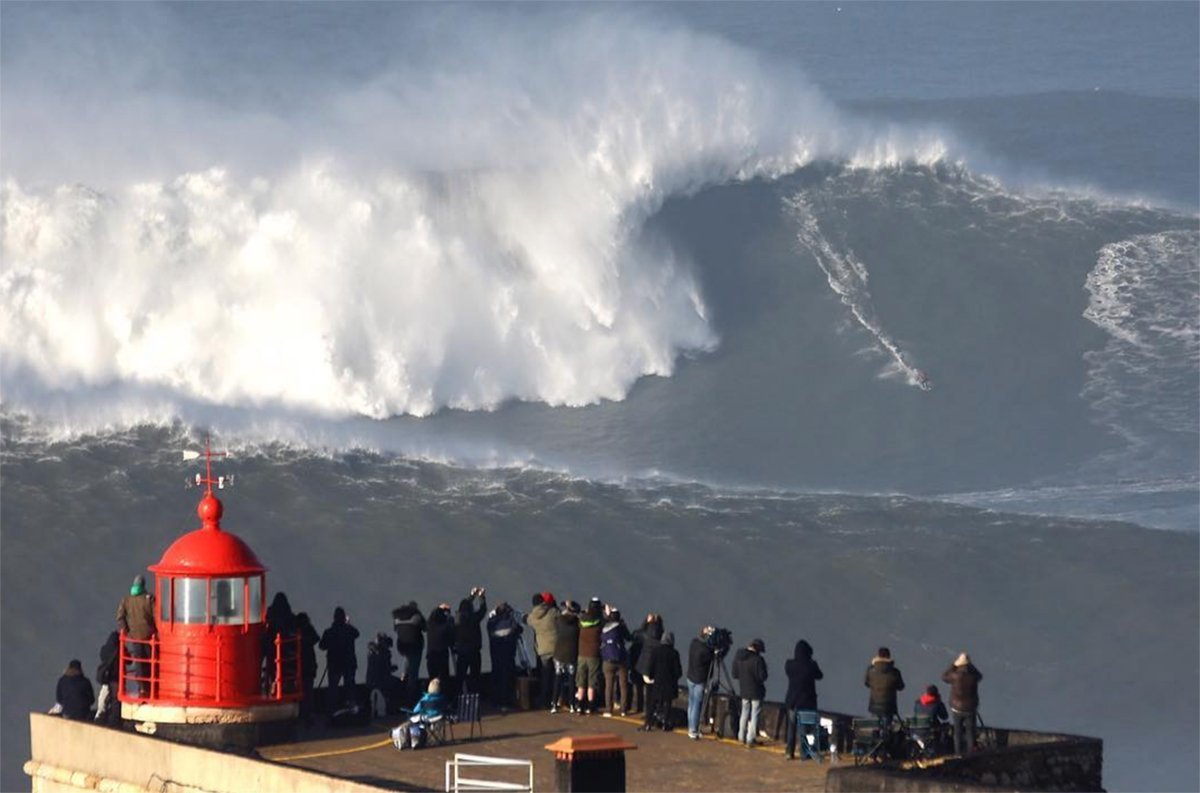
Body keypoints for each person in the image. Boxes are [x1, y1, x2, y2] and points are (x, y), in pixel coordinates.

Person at [116, 575, 156, 697]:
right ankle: (152, 687)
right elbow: (156, 616)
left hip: (134, 636)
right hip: (149, 637)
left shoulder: (127, 600)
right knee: (151, 662)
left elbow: (120, 616)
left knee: (139, 663)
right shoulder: (148, 599)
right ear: (143, 585)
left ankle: (142, 688)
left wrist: (126, 630)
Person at [783, 639, 824, 760]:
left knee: (791, 728)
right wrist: (812, 662)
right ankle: (803, 752)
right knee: (804, 729)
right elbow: (820, 675)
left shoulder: (789, 664)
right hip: (806, 702)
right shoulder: (811, 666)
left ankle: (789, 752)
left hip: (792, 701)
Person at [319, 606, 360, 709]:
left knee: (333, 688)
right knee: (349, 687)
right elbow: (357, 633)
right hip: (349, 663)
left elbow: (322, 646)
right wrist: (348, 623)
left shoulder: (329, 632)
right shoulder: (349, 630)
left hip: (334, 663)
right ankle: (351, 707)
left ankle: (331, 709)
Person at [524, 592, 559, 710]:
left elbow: (525, 620)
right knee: (556, 675)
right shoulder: (552, 612)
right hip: (555, 648)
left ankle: (544, 701)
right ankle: (555, 700)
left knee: (545, 676)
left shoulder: (533, 617)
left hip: (542, 650)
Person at [942, 652, 983, 755]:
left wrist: (953, 665)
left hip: (956, 708)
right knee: (970, 732)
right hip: (970, 707)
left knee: (958, 732)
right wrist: (971, 665)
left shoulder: (954, 676)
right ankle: (970, 754)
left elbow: (943, 677)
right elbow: (980, 676)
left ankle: (958, 753)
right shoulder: (973, 677)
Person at [642, 631, 682, 731]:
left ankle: (648, 724)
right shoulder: (674, 653)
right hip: (669, 683)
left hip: (657, 682)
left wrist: (651, 677)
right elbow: (678, 671)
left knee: (652, 703)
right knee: (668, 703)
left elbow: (651, 666)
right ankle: (665, 723)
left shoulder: (655, 651)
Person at [393, 678, 449, 750]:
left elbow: (415, 710)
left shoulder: (425, 699)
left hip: (426, 718)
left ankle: (405, 733)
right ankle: (412, 736)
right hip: (438, 717)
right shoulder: (442, 698)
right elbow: (446, 707)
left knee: (412, 720)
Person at [486, 601, 523, 710]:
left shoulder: (491, 623)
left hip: (495, 656)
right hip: (508, 656)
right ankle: (506, 701)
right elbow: (519, 629)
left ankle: (495, 700)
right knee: (507, 679)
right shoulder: (511, 622)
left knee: (496, 677)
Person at [733, 638, 768, 747]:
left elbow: (735, 674)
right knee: (754, 715)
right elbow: (763, 677)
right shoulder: (758, 660)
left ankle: (741, 736)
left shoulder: (739, 657)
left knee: (744, 713)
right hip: (756, 692)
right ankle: (750, 739)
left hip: (743, 690)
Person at [392, 601, 427, 704]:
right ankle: (411, 696)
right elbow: (425, 628)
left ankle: (404, 678)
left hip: (402, 646)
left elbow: (395, 629)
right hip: (415, 645)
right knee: (414, 671)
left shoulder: (398, 616)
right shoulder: (417, 615)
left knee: (408, 661)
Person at [454, 588, 487, 695]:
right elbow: (483, 610)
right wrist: (481, 597)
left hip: (461, 651)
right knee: (475, 676)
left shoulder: (457, 619)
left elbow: (464, 605)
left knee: (460, 676)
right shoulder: (474, 618)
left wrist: (471, 596)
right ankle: (474, 697)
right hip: (474, 651)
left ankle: (457, 699)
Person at [600, 605, 631, 717]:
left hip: (607, 659)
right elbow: (629, 637)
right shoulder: (620, 626)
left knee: (609, 685)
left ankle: (609, 709)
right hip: (621, 659)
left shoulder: (604, 627)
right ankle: (623, 710)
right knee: (623, 685)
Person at [263, 592, 296, 696]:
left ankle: (271, 687)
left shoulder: (271, 612)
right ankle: (284, 687)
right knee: (285, 667)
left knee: (272, 668)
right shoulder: (288, 614)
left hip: (271, 645)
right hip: (285, 647)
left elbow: (267, 622)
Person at [574, 598, 604, 715]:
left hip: (581, 654)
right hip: (594, 654)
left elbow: (580, 616)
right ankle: (590, 706)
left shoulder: (581, 621)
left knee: (581, 681)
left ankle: (579, 705)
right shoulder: (600, 622)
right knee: (592, 681)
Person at [685, 627, 715, 739]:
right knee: (697, 705)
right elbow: (712, 658)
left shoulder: (694, 643)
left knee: (691, 703)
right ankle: (693, 730)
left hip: (690, 677)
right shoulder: (706, 651)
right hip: (699, 680)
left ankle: (691, 727)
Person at [630, 614, 663, 716]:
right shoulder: (660, 636)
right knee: (650, 690)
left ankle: (639, 708)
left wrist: (646, 622)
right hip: (654, 666)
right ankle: (651, 711)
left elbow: (637, 633)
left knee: (638, 687)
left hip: (640, 663)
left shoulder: (642, 635)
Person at [552, 600, 581, 713]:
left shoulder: (559, 621)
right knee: (571, 680)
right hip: (572, 654)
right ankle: (572, 704)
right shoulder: (577, 624)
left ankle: (554, 703)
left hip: (559, 654)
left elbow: (558, 618)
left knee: (558, 678)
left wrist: (565, 610)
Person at [864, 646, 905, 722]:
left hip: (874, 705)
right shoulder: (895, 672)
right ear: (889, 656)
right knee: (887, 729)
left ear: (878, 656)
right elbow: (901, 687)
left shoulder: (870, 670)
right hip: (889, 706)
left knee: (875, 727)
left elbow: (866, 683)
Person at [295, 612, 321, 722]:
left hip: (298, 665)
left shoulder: (296, 632)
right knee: (309, 690)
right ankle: (309, 713)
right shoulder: (309, 631)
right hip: (309, 664)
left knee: (299, 690)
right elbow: (317, 639)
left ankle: (300, 712)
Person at [425, 603, 456, 696]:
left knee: (432, 680)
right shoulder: (445, 627)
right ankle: (444, 699)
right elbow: (451, 633)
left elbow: (431, 616)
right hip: (442, 657)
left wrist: (439, 608)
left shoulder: (430, 625)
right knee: (443, 680)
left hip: (430, 657)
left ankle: (432, 699)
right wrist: (449, 615)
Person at [366, 632, 400, 716]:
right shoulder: (384, 653)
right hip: (381, 679)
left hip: (370, 679)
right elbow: (385, 669)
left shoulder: (371, 651)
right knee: (398, 684)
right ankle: (393, 708)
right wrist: (394, 668)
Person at [94, 631, 121, 726]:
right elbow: (129, 661)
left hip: (106, 677)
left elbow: (103, 657)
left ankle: (99, 715)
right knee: (115, 699)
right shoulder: (120, 650)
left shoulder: (104, 649)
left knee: (103, 697)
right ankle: (114, 720)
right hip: (116, 678)